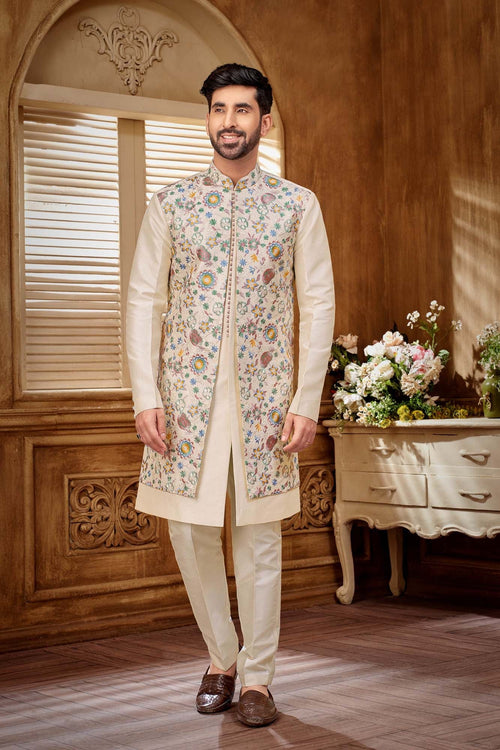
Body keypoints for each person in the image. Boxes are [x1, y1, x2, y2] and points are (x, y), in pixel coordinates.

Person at [126, 63, 335, 728]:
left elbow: (317, 303)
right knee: (190, 532)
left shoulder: (297, 205)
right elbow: (144, 301)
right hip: (184, 399)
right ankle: (222, 658)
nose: (229, 121)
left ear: (264, 121)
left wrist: (305, 400)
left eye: (242, 109)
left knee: (259, 537)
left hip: (266, 400)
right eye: (219, 109)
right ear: (208, 119)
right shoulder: (172, 203)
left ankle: (259, 680)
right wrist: (145, 394)